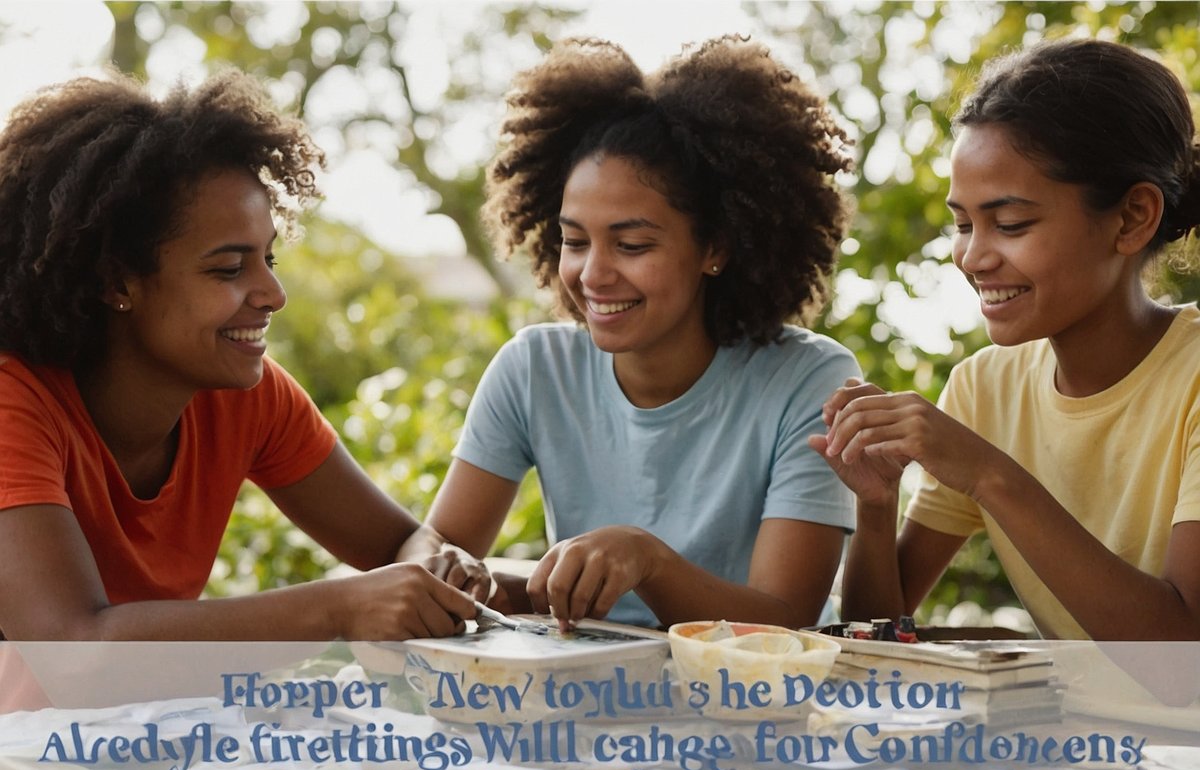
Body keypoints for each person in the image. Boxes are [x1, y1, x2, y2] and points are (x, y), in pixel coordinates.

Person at [808, 38, 1200, 770]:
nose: (971, 254)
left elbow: (1179, 663)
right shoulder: (986, 387)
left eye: (1010, 224)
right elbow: (879, 642)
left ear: (1132, 218)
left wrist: (991, 476)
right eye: (963, 222)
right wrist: (874, 506)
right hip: (1106, 764)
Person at [0, 70, 495, 652]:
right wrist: (339, 609)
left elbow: (399, 543)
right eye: (229, 269)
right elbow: (69, 648)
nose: (273, 295)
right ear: (117, 282)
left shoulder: (245, 396)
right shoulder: (15, 403)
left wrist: (433, 566)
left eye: (269, 259)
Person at [408, 35, 860, 632]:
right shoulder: (534, 369)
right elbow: (438, 542)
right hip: (587, 683)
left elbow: (782, 621)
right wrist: (442, 566)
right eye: (574, 241)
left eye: (632, 245)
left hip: (754, 688)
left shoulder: (808, 380)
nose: (592, 275)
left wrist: (647, 561)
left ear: (716, 246)